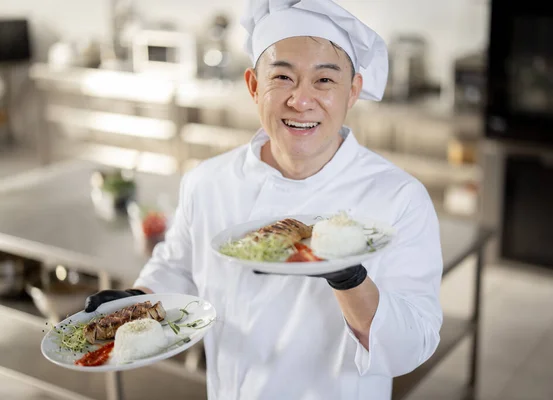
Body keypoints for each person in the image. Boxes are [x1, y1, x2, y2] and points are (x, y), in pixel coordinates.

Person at [84, 1, 443, 399]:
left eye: (324, 81)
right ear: (254, 86)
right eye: (283, 78)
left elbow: (412, 347)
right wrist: (139, 299)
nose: (301, 100)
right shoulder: (208, 182)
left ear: (352, 91)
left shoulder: (397, 198)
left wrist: (350, 277)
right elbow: (178, 269)